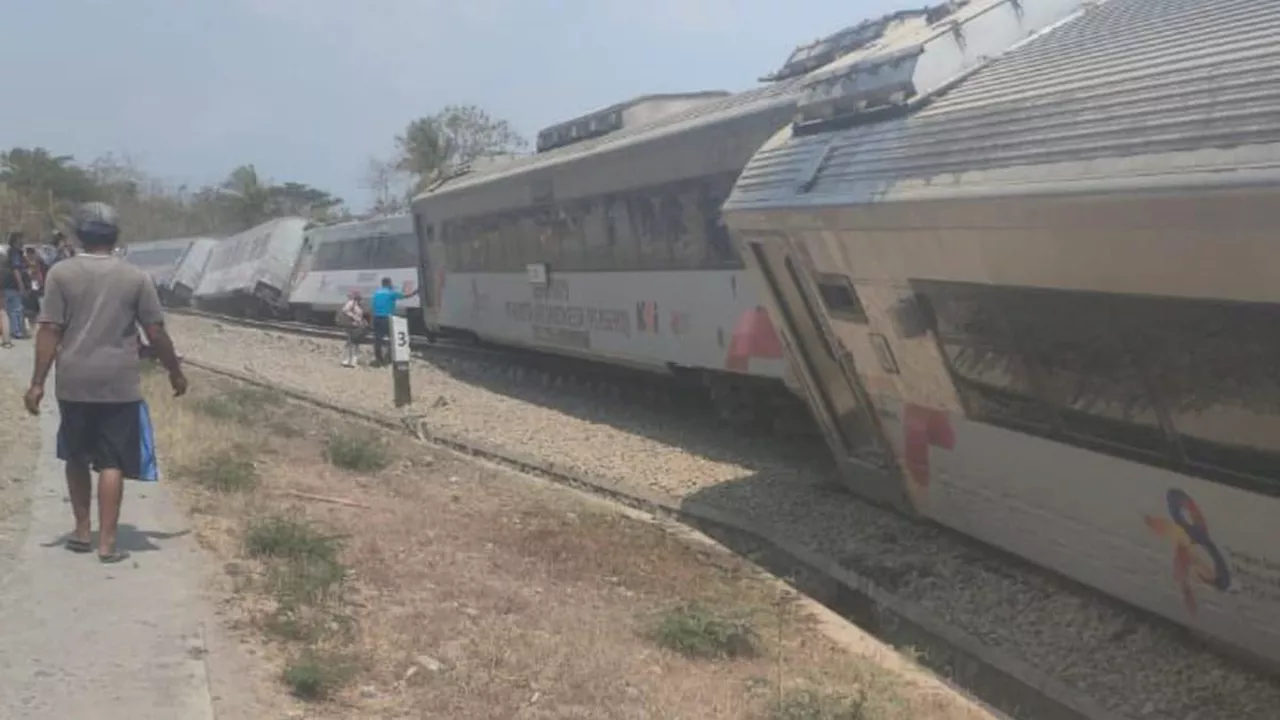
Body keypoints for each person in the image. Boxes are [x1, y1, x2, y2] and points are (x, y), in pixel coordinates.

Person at [23, 202, 188, 564]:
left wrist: (37, 382)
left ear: (79, 235)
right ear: (116, 237)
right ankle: (108, 543)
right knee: (112, 461)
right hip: (119, 384)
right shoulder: (136, 278)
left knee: (77, 456)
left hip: (74, 381)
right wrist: (174, 370)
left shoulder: (61, 275)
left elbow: (50, 329)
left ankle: (82, 532)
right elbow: (156, 332)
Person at [369, 277, 419, 367]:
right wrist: (416, 292)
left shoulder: (376, 293)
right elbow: (406, 296)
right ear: (388, 284)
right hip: (387, 318)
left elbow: (372, 307)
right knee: (392, 338)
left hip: (376, 318)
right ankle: (390, 358)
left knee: (378, 340)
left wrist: (371, 320)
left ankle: (378, 360)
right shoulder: (391, 293)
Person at [3, 232, 28, 339]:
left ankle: (15, 330)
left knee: (12, 309)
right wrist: (21, 284)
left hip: (7, 284)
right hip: (13, 284)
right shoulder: (15, 253)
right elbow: (16, 270)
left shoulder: (10, 252)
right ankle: (16, 331)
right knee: (15, 309)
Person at [337, 290, 368, 368]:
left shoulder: (358, 304)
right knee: (352, 343)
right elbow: (345, 310)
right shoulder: (351, 303)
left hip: (356, 326)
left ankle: (351, 360)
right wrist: (355, 317)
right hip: (351, 325)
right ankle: (348, 360)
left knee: (354, 343)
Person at [22, 245, 47, 333]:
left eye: (31, 253)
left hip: (38, 288)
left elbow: (41, 274)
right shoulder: (25, 264)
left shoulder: (39, 262)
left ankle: (37, 327)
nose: (30, 255)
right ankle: (33, 327)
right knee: (31, 309)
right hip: (30, 288)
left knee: (38, 309)